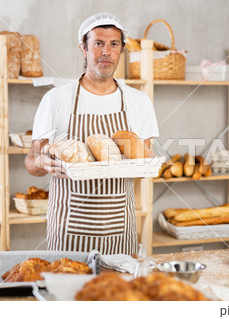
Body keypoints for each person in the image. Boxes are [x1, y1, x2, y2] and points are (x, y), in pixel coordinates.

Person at [25, 13, 159, 255]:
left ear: (122, 50)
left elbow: (142, 164)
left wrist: (141, 164)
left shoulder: (139, 102)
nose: (106, 51)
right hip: (68, 230)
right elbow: (31, 163)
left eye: (113, 44)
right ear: (83, 48)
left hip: (120, 228)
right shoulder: (56, 99)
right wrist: (41, 162)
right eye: (98, 43)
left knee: (119, 292)